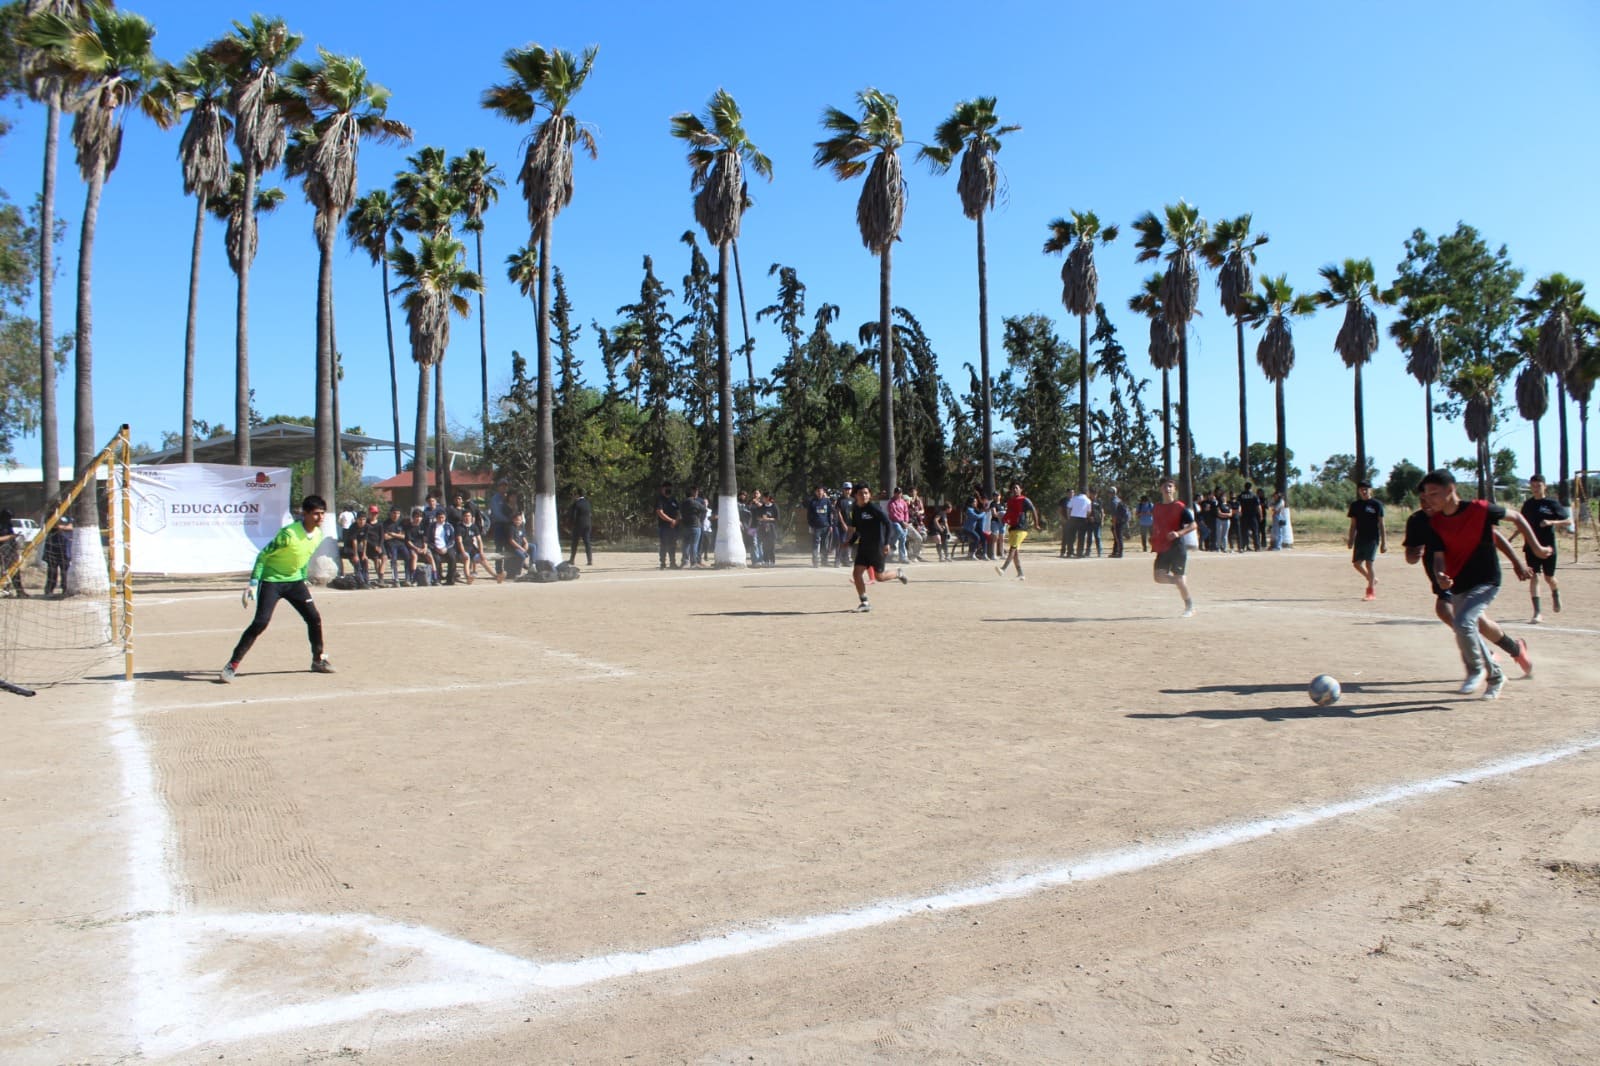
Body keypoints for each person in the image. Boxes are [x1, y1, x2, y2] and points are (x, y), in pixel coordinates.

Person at [1419, 469, 1548, 697]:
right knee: (1468, 627)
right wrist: (1441, 576)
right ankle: (1496, 676)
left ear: (1451, 490)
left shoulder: (1479, 509)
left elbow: (1516, 517)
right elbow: (1438, 558)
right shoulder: (1436, 523)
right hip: (1459, 583)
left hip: (1487, 579)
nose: (1429, 499)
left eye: (1434, 493)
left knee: (1464, 622)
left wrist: (1536, 548)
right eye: (1426, 495)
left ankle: (1476, 670)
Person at [1403, 497, 1530, 678]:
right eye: (1423, 499)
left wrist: (1517, 562)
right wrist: (1414, 553)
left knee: (1446, 611)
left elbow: (1494, 536)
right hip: (1441, 576)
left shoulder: (1458, 514)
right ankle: (1515, 649)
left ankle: (1484, 655)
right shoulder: (1416, 521)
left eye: (1431, 496)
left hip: (1462, 573)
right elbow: (1411, 558)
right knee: (1480, 623)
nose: (1427, 502)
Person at [220, 496, 335, 681]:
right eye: (315, 514)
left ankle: (318, 660)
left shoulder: (319, 535)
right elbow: (263, 555)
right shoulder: (288, 534)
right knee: (261, 622)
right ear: (304, 514)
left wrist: (303, 577)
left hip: (295, 582)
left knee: (314, 618)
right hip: (272, 581)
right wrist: (253, 582)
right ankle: (231, 665)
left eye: (322, 514)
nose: (320, 518)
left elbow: (304, 557)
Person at [843, 483, 908, 612]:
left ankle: (898, 573)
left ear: (870, 495)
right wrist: (849, 543)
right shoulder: (855, 510)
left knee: (880, 577)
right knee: (856, 573)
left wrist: (887, 543)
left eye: (866, 493)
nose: (864, 495)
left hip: (877, 547)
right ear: (855, 495)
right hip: (863, 547)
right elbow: (857, 531)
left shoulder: (873, 508)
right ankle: (864, 602)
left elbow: (888, 524)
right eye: (861, 493)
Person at [1516, 473, 1572, 623]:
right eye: (1533, 486)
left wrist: (1551, 522)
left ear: (1544, 486)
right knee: (1534, 576)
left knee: (1549, 578)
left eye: (1538, 486)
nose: (1535, 489)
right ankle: (1537, 612)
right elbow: (1521, 524)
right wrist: (1508, 539)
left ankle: (1555, 592)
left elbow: (1568, 521)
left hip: (1548, 547)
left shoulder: (1551, 504)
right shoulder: (1528, 505)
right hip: (1531, 547)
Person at [1150, 478, 1198, 617]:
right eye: (1165, 486)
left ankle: (1190, 606)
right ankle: (1178, 582)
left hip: (1177, 547)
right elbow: (1158, 526)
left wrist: (1178, 533)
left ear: (1174, 489)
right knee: (1158, 577)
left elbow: (1193, 525)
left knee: (1179, 578)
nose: (1168, 489)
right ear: (1160, 489)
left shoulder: (1179, 507)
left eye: (1170, 486)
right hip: (1163, 547)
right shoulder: (1157, 508)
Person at [1346, 481, 1387, 600]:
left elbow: (1381, 524)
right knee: (1357, 564)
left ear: (1371, 490)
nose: (1364, 491)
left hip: (1373, 537)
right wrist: (1350, 539)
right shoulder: (1355, 505)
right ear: (1358, 491)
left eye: (1366, 489)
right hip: (1360, 538)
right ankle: (1372, 579)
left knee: (1369, 563)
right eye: (1361, 489)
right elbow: (1353, 525)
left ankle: (1370, 592)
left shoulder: (1376, 504)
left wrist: (1384, 543)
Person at [996, 482, 1044, 580]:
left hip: (1021, 528)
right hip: (1013, 528)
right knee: (1015, 553)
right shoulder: (1010, 501)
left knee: (1012, 549)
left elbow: (1033, 510)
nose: (1014, 490)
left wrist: (1036, 524)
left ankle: (1003, 569)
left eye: (1016, 488)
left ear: (1021, 489)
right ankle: (1021, 574)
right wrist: (1004, 519)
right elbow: (1009, 512)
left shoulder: (1024, 500)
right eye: (1013, 488)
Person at [42, 512, 73, 597]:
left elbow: (71, 526)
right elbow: (53, 526)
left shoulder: (67, 516)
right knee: (52, 571)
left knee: (65, 571)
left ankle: (65, 589)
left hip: (64, 548)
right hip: (52, 548)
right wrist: (62, 527)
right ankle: (49, 590)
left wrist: (62, 527)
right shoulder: (50, 515)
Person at [804, 485, 834, 567]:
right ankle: (815, 561)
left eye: (821, 490)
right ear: (815, 492)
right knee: (815, 543)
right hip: (816, 527)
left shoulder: (827, 501)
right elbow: (809, 515)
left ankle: (824, 560)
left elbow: (830, 513)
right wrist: (810, 525)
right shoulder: (812, 502)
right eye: (818, 491)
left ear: (823, 492)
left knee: (825, 543)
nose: (820, 492)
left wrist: (831, 525)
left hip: (826, 526)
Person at [654, 483, 680, 570]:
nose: (668, 490)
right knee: (664, 545)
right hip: (664, 526)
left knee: (673, 545)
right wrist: (671, 520)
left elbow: (678, 511)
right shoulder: (660, 499)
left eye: (670, 488)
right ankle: (663, 563)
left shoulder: (674, 499)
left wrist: (676, 521)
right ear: (662, 489)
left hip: (674, 527)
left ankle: (673, 563)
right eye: (666, 488)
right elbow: (659, 512)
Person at [681, 487, 709, 568]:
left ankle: (685, 562)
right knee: (694, 545)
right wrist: (705, 505)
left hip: (685, 525)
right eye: (695, 492)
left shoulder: (683, 502)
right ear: (692, 493)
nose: (697, 493)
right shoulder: (695, 503)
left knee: (685, 544)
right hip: (695, 525)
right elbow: (704, 510)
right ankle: (693, 563)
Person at [567, 487, 594, 567]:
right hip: (587, 524)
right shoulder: (587, 503)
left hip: (578, 525)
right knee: (587, 542)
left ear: (577, 495)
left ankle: (572, 559)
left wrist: (570, 524)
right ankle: (590, 560)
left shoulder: (576, 504)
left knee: (575, 543)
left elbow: (573, 516)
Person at [1236, 482, 1262, 551]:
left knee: (1244, 532)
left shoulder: (1241, 495)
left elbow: (1239, 506)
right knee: (1255, 532)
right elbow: (1258, 507)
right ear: (1251, 487)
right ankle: (1257, 547)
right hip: (1252, 516)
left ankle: (1244, 546)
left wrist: (1239, 513)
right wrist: (1261, 515)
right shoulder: (1254, 495)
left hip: (1244, 516)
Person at [505, 512, 532, 579]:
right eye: (517, 520)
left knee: (533, 547)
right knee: (522, 556)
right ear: (513, 520)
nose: (519, 521)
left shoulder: (521, 527)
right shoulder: (511, 528)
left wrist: (526, 544)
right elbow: (511, 541)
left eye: (520, 520)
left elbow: (523, 538)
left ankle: (532, 565)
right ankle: (518, 573)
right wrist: (521, 548)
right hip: (513, 547)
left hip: (521, 546)